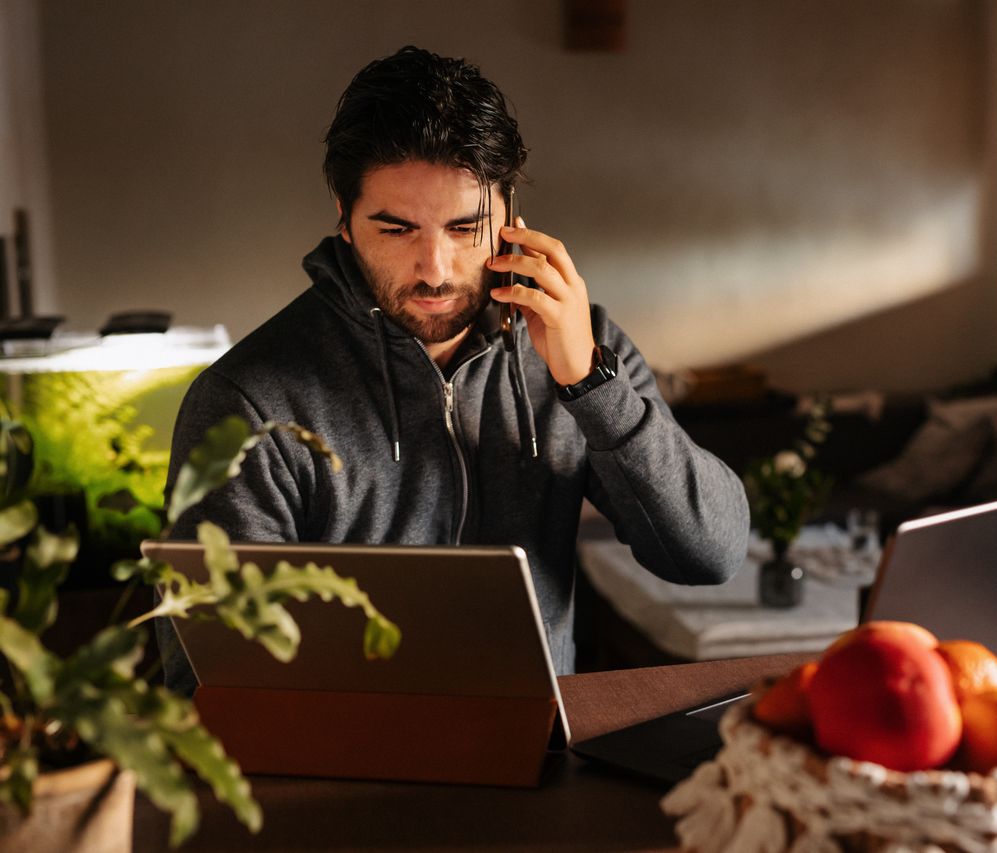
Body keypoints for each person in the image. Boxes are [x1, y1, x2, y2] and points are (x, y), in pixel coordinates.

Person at [158, 46, 749, 695]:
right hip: (346, 783)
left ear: (509, 211)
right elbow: (209, 680)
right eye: (397, 229)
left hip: (543, 766)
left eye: (467, 227)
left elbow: (710, 554)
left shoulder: (582, 344)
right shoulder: (247, 401)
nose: (435, 269)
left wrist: (589, 383)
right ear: (344, 217)